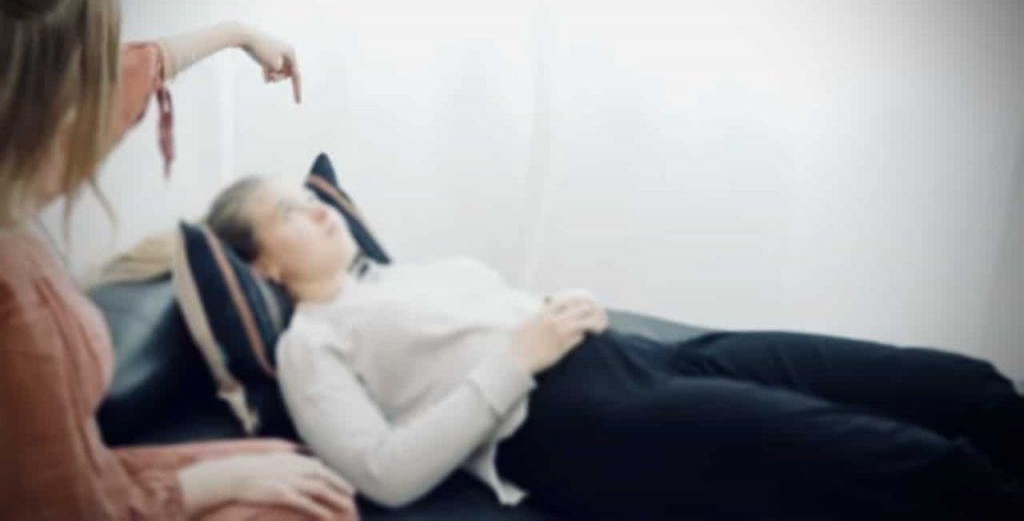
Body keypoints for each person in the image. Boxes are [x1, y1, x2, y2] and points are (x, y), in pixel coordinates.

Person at [204, 176, 1024, 520]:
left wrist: (558, 309)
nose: (319, 209)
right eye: (288, 213)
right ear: (261, 265)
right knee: (915, 466)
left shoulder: (395, 278)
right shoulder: (312, 344)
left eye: (309, 197)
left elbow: (495, 321)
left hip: (635, 357)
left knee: (961, 388)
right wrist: (517, 359)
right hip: (575, 420)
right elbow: (383, 474)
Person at [0, 0, 357, 520]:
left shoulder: (22, 184)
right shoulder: (13, 294)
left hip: (89, 474)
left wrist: (239, 34)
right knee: (309, 504)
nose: (110, 94)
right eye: (94, 72)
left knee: (299, 472)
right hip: (80, 502)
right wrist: (221, 479)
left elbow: (143, 67)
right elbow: (65, 507)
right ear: (46, 105)